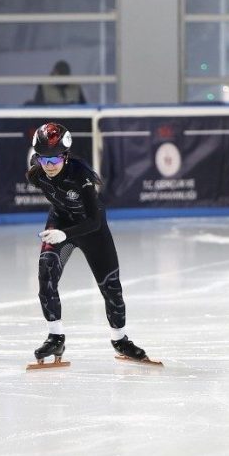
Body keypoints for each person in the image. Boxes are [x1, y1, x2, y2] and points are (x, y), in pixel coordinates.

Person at [26, 122, 152, 363]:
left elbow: (95, 221)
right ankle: (55, 338)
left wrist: (66, 234)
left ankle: (120, 340)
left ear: (65, 155)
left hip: (92, 231)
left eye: (54, 160)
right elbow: (55, 196)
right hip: (59, 225)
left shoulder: (80, 176)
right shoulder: (38, 170)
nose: (49, 166)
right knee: (46, 274)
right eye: (44, 160)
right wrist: (58, 229)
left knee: (111, 287)